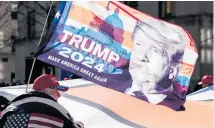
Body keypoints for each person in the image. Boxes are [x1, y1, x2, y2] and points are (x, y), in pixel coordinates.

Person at [125, 19, 186, 104]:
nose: (141, 56)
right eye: (139, 44)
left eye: (156, 51)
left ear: (173, 69)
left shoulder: (180, 108)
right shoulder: (107, 84)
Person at [0, 74, 84, 128]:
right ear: (41, 90)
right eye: (55, 90)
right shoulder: (57, 111)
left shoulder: (10, 109)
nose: (59, 95)